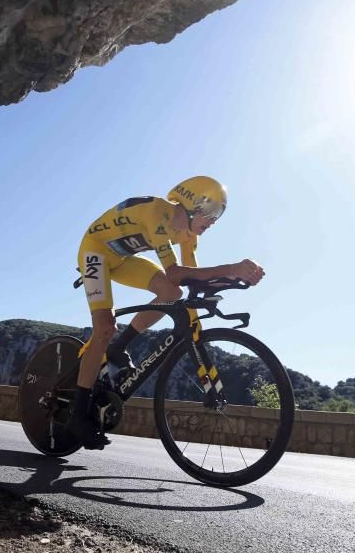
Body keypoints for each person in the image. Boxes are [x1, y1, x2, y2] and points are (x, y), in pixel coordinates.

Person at [72, 176, 265, 449]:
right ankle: (78, 415)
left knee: (171, 294)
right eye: (212, 213)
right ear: (192, 204)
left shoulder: (188, 235)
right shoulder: (157, 214)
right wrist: (231, 268)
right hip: (95, 252)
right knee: (104, 328)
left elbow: (191, 276)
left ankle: (118, 348)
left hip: (123, 259)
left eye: (219, 215)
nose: (213, 221)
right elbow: (175, 273)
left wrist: (233, 280)